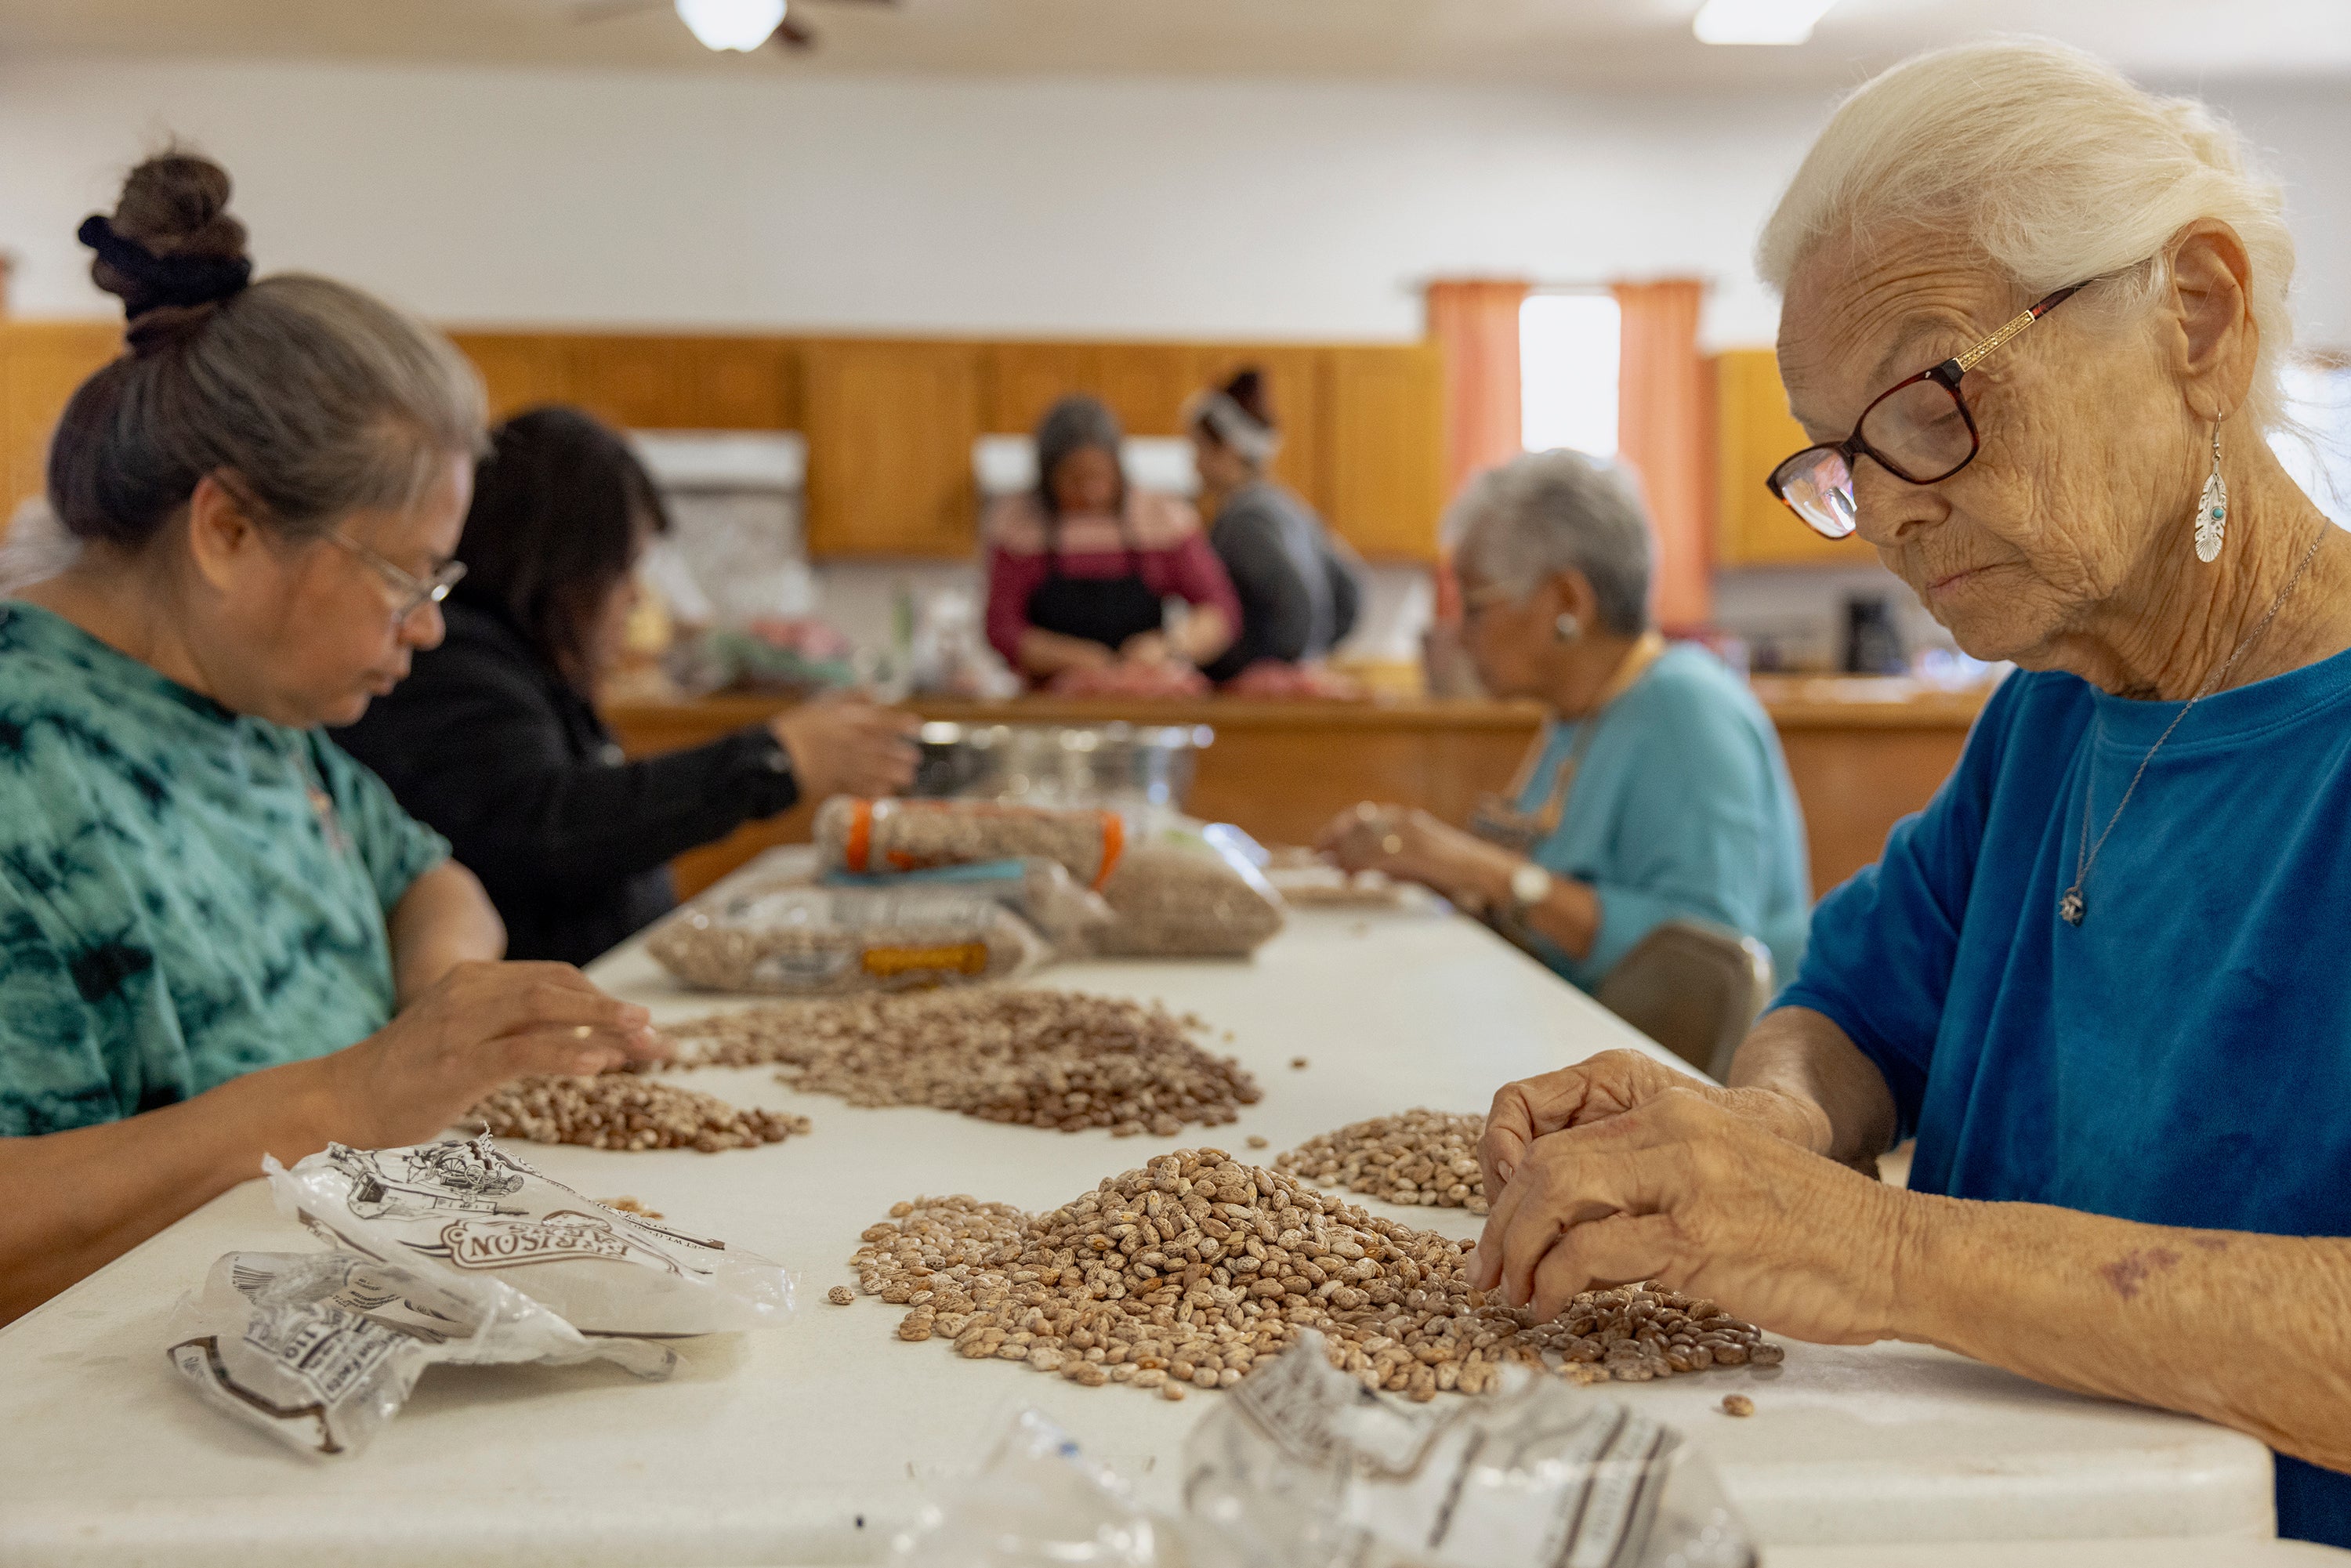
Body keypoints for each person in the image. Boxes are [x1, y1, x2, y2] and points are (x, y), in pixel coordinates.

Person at [1465, 42, 2351, 1544]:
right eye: (1842, 458)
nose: (1883, 514)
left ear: (2196, 316)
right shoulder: (2047, 723)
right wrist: (1765, 1130)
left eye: (1931, 403)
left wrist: (1874, 1252)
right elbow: (1851, 1015)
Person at [0, 153, 661, 1324]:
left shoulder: (255, 717)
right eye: (403, 571)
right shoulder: (28, 758)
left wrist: (447, 1012)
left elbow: (429, 875)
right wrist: (344, 1099)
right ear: (230, 528)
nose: (432, 621)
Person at [337, 407, 919, 965]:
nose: (635, 597)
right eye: (625, 569)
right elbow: (551, 828)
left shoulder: (524, 669)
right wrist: (770, 759)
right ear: (565, 568)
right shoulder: (454, 663)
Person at [1317, 450, 1809, 992]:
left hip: (1685, 1069)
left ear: (1567, 601)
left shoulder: (1687, 707)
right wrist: (1430, 864)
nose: (1459, 633)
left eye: (1475, 605)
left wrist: (1480, 870)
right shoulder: (1579, 713)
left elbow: (1705, 962)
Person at [984, 393, 1238, 683]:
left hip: (1144, 696)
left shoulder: (1161, 520)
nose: (1092, 493)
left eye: (1101, 478)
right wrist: (1074, 659)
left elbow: (1220, 613)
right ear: (1048, 477)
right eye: (1075, 481)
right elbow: (1001, 628)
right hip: (1051, 706)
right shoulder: (1019, 527)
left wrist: (1170, 646)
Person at [1184, 368, 1364, 683]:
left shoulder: (1244, 521)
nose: (1194, 464)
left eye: (1199, 448)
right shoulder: (1288, 506)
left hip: (1262, 695)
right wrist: (1313, 654)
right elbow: (1351, 589)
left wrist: (1277, 668)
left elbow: (1295, 602)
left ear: (1229, 450)